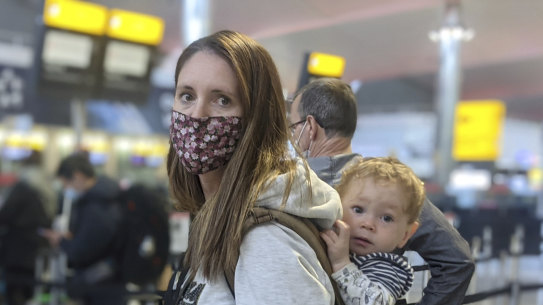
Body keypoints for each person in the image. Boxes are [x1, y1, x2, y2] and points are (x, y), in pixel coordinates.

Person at [164, 30, 342, 305]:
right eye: (186, 96)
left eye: (222, 99)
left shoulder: (265, 242)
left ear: (256, 117)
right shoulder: (221, 216)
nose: (197, 115)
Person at [289, 78, 475, 305]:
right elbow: (457, 260)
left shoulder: (289, 186)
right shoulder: (392, 187)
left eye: (293, 126)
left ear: (309, 127)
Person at [321, 157, 425, 305]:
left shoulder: (388, 268)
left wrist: (341, 264)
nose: (368, 224)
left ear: (405, 235)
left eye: (386, 218)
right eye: (358, 209)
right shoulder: (334, 241)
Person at [41, 153, 124, 305]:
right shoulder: (102, 200)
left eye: (65, 184)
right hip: (106, 284)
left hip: (102, 288)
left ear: (77, 176)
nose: (66, 189)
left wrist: (61, 241)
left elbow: (82, 250)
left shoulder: (97, 206)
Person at [0, 180, 51, 305]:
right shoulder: (30, 193)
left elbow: (4, 216)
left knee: (16, 291)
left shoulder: (19, 191)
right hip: (30, 254)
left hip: (18, 254)